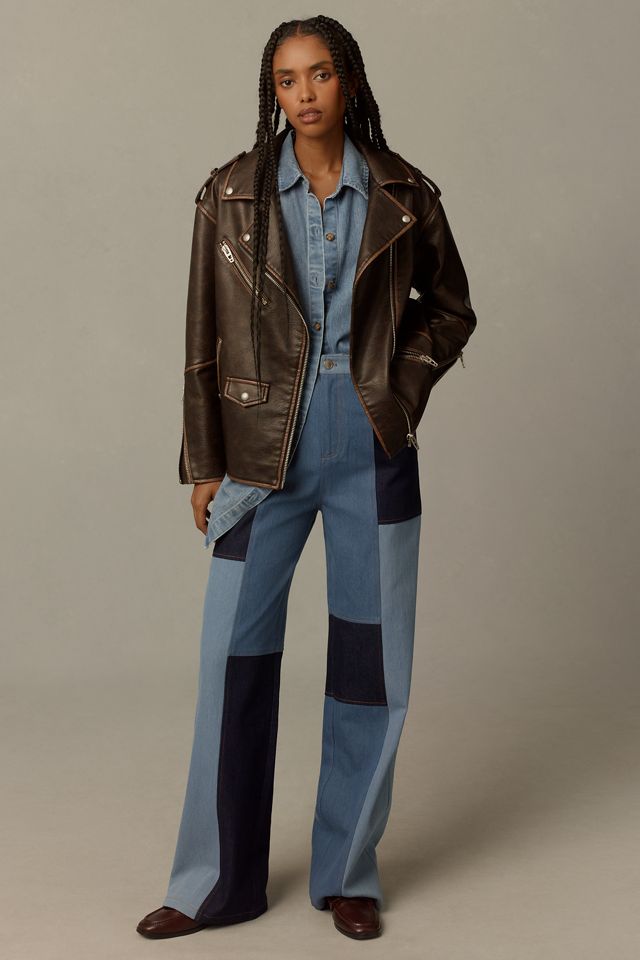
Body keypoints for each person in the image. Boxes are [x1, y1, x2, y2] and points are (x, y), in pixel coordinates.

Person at [137, 14, 477, 943]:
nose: (304, 94)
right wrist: (204, 461)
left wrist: (399, 389)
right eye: (287, 79)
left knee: (372, 667)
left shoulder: (404, 192)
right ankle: (215, 882)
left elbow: (451, 309)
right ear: (273, 92)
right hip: (261, 452)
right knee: (232, 661)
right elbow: (202, 335)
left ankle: (348, 872)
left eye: (320, 74)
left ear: (349, 81)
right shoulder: (230, 194)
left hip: (370, 444)